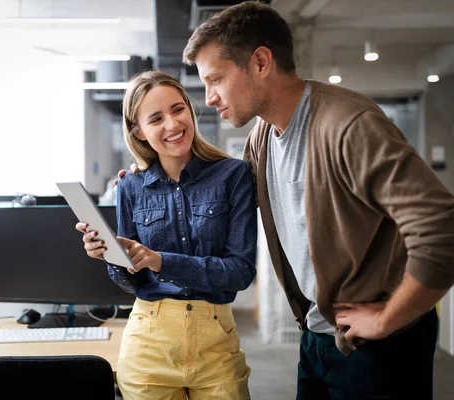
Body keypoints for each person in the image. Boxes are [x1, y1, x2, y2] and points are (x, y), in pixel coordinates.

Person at [179, 1, 454, 399]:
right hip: (319, 333)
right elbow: (221, 195)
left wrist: (387, 319)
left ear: (260, 62)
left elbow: (442, 228)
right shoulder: (262, 138)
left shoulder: (349, 125)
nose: (210, 98)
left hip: (378, 345)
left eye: (216, 79)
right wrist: (149, 170)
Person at [76, 70, 257, 400]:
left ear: (190, 109)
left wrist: (160, 261)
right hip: (149, 340)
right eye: (156, 118)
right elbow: (134, 282)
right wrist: (113, 258)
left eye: (178, 109)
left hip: (216, 342)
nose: (173, 125)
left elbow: (240, 272)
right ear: (139, 132)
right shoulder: (130, 186)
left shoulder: (234, 175)